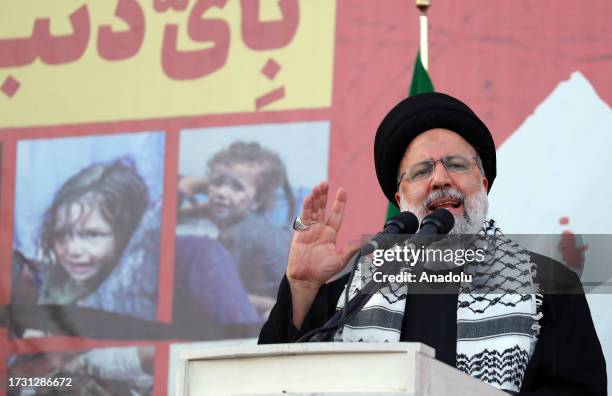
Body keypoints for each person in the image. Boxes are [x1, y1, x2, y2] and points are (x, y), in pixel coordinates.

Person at [259, 93, 607, 395]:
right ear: (400, 198)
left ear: (483, 183)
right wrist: (302, 287)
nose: (441, 179)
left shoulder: (551, 284)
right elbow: (276, 382)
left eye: (456, 165)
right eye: (422, 171)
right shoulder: (352, 293)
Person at [12, 157, 158, 321]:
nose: (71, 250)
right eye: (61, 234)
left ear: (127, 233)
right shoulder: (57, 282)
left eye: (91, 234)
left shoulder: (136, 295)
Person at [178, 141, 293, 316]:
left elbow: (280, 301)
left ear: (257, 201)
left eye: (236, 187)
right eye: (217, 182)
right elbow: (178, 215)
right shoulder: (230, 214)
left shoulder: (255, 235)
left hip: (270, 307)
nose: (222, 192)